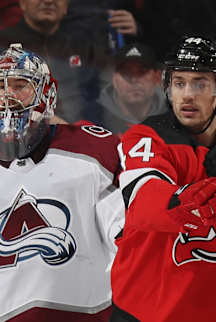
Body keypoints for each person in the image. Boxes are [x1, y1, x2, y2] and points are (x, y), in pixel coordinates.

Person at [109, 35, 216, 322]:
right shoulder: (147, 136)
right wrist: (190, 199)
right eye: (179, 82)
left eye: (200, 83)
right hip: (148, 310)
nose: (187, 94)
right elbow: (143, 202)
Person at [0, 44, 124, 320]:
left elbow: (129, 242)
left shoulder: (93, 150)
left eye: (20, 85)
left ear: (48, 93)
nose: (7, 96)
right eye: (0, 87)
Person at [0, 0, 108, 123]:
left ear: (66, 7)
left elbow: (94, 94)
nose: (48, 1)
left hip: (77, 130)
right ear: (23, 3)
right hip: (19, 129)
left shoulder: (81, 44)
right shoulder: (3, 44)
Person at [85, 42, 168, 134]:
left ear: (157, 77)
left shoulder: (173, 118)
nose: (134, 80)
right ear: (114, 79)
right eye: (126, 73)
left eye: (142, 72)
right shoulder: (91, 119)